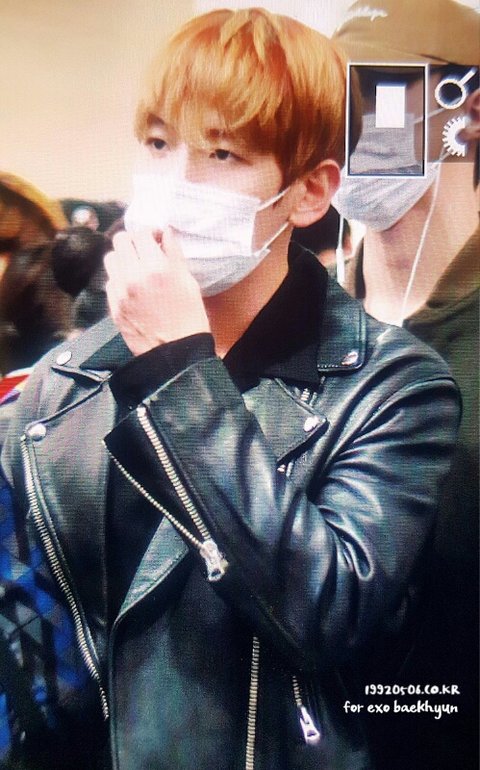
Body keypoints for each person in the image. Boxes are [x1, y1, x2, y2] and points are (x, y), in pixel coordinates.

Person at [0, 9, 460, 770]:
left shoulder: (392, 387)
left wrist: (178, 369)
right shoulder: (64, 380)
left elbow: (325, 611)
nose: (175, 183)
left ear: (309, 193)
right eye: (159, 145)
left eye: (222, 153)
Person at [332, 2, 479, 768]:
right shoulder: (299, 318)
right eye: (327, 100)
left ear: (470, 110)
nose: (344, 125)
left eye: (377, 92)